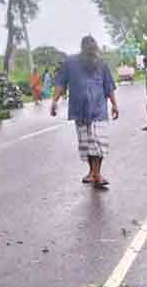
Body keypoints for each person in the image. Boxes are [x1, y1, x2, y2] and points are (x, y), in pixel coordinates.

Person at [51, 36, 118, 187]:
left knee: (98, 142)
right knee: (86, 143)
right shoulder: (70, 63)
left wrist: (114, 104)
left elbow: (108, 86)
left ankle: (97, 173)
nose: (92, 54)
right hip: (79, 110)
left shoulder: (101, 64)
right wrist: (54, 101)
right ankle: (92, 171)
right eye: (89, 51)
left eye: (93, 51)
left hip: (98, 110)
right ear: (82, 49)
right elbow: (61, 83)